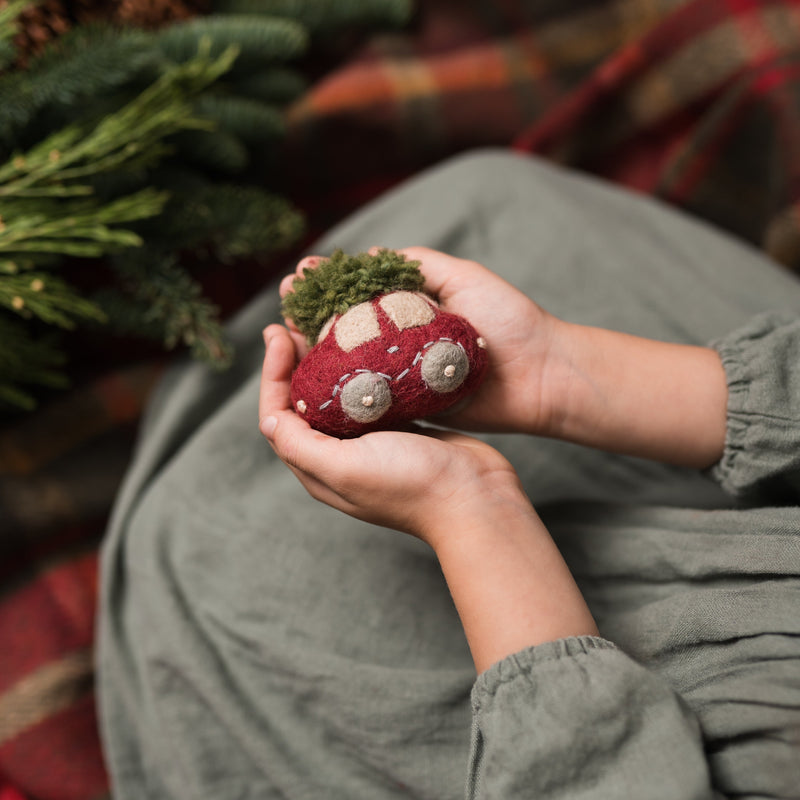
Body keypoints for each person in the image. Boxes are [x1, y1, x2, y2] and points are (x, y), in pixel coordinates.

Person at [98, 150, 800, 798]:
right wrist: (562, 373)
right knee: (494, 199)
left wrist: (474, 511)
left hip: (656, 722)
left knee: (193, 546)